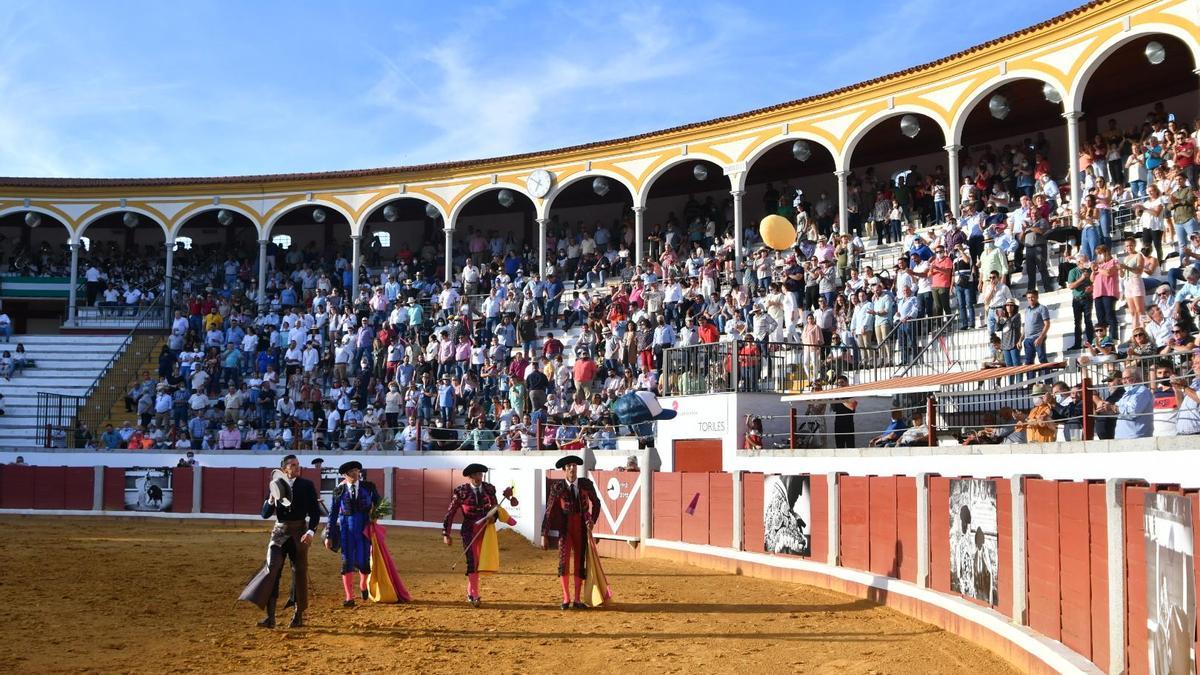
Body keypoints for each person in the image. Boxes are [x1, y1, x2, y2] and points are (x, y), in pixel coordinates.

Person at [239, 454, 321, 629]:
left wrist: (311, 531)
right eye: (293, 465)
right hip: (279, 532)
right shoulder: (275, 486)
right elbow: (265, 514)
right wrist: (270, 499)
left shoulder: (307, 485)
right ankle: (271, 618)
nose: (297, 467)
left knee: (299, 572)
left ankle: (298, 616)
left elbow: (315, 512)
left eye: (298, 464)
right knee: (271, 570)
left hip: (299, 532)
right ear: (284, 469)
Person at [541, 454, 600, 609]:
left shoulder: (585, 484)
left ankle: (578, 599)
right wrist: (544, 534)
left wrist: (593, 520)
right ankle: (566, 598)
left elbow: (597, 502)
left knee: (580, 562)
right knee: (564, 561)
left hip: (581, 527)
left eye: (574, 466)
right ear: (564, 470)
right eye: (569, 467)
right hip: (565, 528)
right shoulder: (557, 487)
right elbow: (549, 511)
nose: (572, 469)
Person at [442, 463, 500, 607]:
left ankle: (470, 591)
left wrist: (494, 517)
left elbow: (495, 507)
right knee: (472, 561)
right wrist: (446, 533)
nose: (479, 477)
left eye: (481, 474)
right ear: (470, 477)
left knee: (479, 562)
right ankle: (475, 595)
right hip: (469, 530)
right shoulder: (461, 491)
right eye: (476, 475)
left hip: (485, 530)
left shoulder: (489, 489)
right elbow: (451, 512)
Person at [324, 461, 381, 608]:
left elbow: (379, 502)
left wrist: (376, 514)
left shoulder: (368, 487)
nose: (356, 474)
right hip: (346, 531)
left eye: (357, 471)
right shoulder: (339, 490)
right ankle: (349, 597)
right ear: (345, 475)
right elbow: (333, 514)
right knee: (346, 562)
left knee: (363, 561)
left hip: (364, 529)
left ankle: (363, 585)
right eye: (352, 472)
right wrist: (329, 535)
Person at [830, 375, 858, 449]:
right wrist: (833, 398)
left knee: (850, 447)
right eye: (838, 383)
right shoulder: (837, 395)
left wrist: (840, 398)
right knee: (839, 446)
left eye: (842, 382)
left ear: (847, 383)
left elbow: (852, 407)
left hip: (848, 424)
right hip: (838, 424)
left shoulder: (850, 394)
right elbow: (833, 409)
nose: (840, 385)